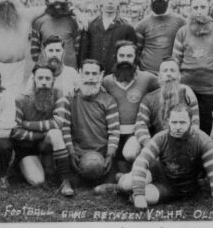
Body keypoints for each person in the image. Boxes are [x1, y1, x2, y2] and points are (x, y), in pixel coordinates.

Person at [117, 104, 213, 218]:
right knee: (128, 184)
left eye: (182, 122)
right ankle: (119, 182)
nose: (177, 127)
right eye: (174, 122)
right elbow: (141, 162)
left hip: (180, 186)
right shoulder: (161, 137)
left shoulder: (203, 140)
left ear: (191, 122)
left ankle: (133, 191)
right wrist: (139, 194)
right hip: (158, 171)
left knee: (147, 197)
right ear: (168, 122)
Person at [172, 0, 213, 135]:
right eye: (196, 7)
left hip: (210, 90)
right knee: (185, 124)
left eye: (203, 7)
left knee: (205, 127)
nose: (199, 11)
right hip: (186, 89)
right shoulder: (182, 32)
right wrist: (176, 87)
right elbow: (175, 61)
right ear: (190, 10)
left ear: (209, 9)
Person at [12, 64, 74, 197]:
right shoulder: (21, 100)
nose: (44, 82)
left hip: (46, 146)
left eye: (48, 78)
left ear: (53, 80)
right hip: (27, 148)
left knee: (56, 133)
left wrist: (27, 124)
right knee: (37, 180)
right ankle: (22, 167)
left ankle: (65, 181)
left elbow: (57, 123)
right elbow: (15, 131)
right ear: (34, 79)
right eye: (40, 78)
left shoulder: (58, 94)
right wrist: (42, 134)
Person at [56, 59, 120, 186]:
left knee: (93, 165)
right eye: (87, 73)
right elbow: (65, 128)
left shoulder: (108, 100)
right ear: (80, 73)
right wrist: (71, 152)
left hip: (99, 153)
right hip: (77, 152)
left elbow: (114, 131)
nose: (90, 78)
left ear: (101, 75)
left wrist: (110, 154)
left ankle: (95, 176)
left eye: (94, 74)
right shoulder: (70, 97)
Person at [102, 40, 159, 169]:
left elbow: (166, 86)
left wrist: (185, 89)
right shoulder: (107, 81)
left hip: (136, 132)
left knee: (130, 154)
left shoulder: (147, 78)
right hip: (113, 132)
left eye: (129, 56)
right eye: (121, 56)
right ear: (116, 57)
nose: (125, 60)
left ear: (136, 58)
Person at [134, 58, 200, 155]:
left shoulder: (188, 95)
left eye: (173, 71)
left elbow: (195, 123)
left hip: (184, 143)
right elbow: (140, 125)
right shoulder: (149, 99)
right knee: (130, 151)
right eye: (165, 71)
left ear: (179, 76)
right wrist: (150, 145)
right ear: (159, 77)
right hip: (158, 145)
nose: (169, 74)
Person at [79, 0, 137, 75]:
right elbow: (83, 54)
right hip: (94, 75)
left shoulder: (127, 28)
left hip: (116, 76)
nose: (110, 1)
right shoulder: (90, 25)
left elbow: (133, 55)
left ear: (118, 1)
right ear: (101, 1)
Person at [135, 0, 186, 75]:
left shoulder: (181, 22)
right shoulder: (141, 25)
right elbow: (137, 52)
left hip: (172, 76)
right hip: (148, 75)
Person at [31, 0, 81, 69]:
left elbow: (77, 48)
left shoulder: (73, 21)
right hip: (46, 71)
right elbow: (34, 51)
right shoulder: (39, 21)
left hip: (68, 69)